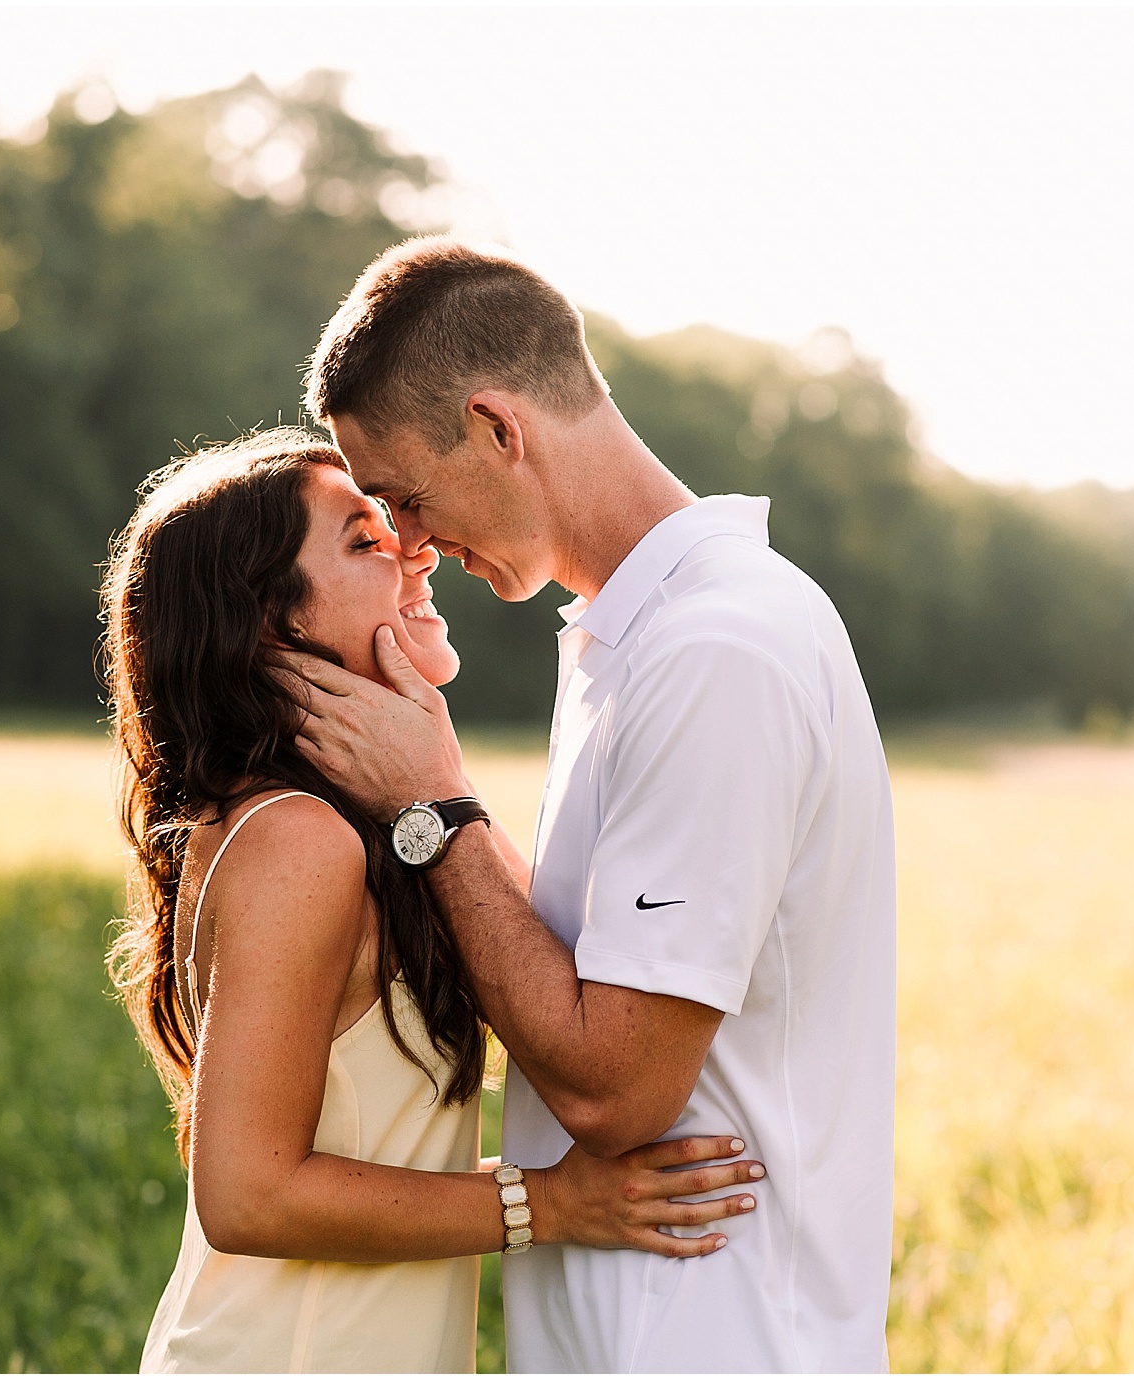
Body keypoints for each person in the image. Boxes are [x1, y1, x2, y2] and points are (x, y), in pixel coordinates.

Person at [284, 239, 897, 1372]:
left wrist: (431, 807)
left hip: (712, 1335)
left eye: (406, 497)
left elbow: (617, 1089)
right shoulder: (638, 633)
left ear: (498, 428)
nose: (409, 545)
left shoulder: (719, 649)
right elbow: (579, 958)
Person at [99, 429, 765, 1373]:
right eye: (365, 541)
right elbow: (247, 1194)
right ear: (265, 622)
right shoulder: (297, 839)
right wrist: (555, 1203)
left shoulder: (365, 818)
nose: (416, 549)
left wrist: (434, 784)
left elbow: (554, 974)